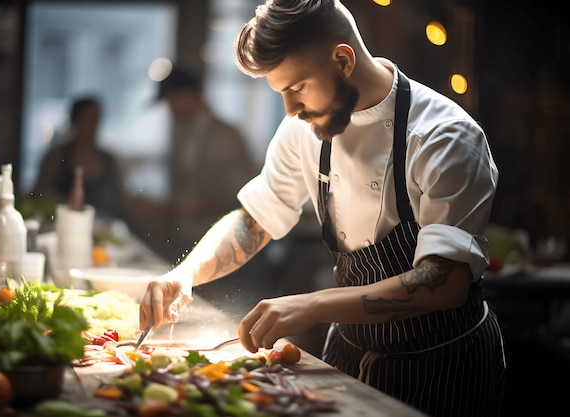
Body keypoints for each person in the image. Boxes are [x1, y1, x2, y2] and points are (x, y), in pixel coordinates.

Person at [139, 1, 506, 416]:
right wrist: (186, 274)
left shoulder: (445, 136)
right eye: (281, 93)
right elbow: (254, 219)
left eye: (296, 88)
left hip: (443, 365)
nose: (290, 109)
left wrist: (311, 305)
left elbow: (445, 281)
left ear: (343, 59)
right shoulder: (303, 129)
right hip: (350, 352)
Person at [130, 66, 258, 263]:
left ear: (187, 95)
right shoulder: (184, 132)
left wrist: (171, 208)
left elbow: (241, 197)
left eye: (171, 101)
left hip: (222, 245)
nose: (170, 109)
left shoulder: (224, 137)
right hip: (185, 239)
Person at [33, 97, 134, 225]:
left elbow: (121, 203)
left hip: (104, 232)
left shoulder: (108, 160)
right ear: (75, 120)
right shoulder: (56, 157)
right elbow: (39, 195)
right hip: (62, 227)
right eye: (88, 120)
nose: (93, 126)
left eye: (96, 120)